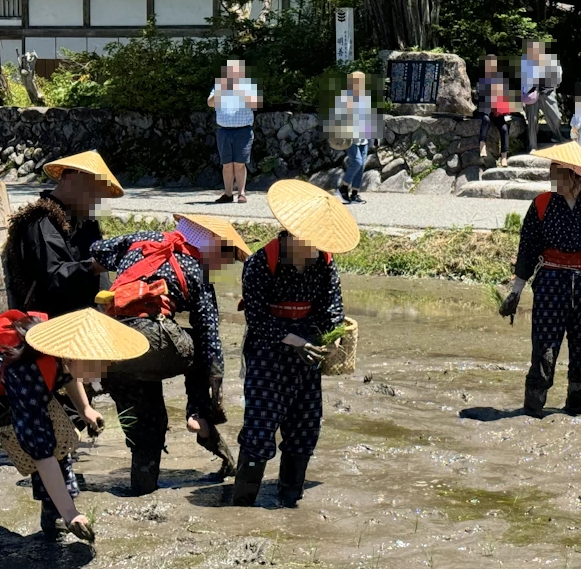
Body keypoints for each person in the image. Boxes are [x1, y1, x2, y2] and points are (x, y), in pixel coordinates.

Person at [0, 309, 147, 553]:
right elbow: (40, 451)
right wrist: (71, 512)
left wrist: (85, 409)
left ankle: (54, 516)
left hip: (10, 391)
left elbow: (66, 374)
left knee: (58, 442)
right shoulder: (28, 369)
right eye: (99, 365)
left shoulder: (60, 350)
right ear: (74, 356)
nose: (102, 373)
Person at [90, 215, 250, 494]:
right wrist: (215, 388)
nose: (224, 267)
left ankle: (141, 490)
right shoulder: (198, 270)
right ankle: (197, 414)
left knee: (147, 426)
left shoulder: (140, 239)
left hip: (110, 339)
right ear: (213, 248)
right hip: (152, 337)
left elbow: (98, 251)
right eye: (226, 259)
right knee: (201, 345)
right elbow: (210, 335)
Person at [233, 180, 357, 507]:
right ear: (292, 234)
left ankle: (289, 501)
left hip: (307, 358)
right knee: (259, 431)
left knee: (305, 430)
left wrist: (332, 339)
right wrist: (294, 341)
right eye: (311, 243)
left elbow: (332, 310)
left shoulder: (325, 263)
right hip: (268, 353)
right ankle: (242, 506)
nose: (315, 249)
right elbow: (257, 319)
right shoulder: (261, 263)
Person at [498, 142, 581, 417]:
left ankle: (575, 407)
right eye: (551, 171)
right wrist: (515, 292)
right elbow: (527, 253)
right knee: (544, 352)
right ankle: (532, 410)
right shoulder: (541, 205)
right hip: (550, 287)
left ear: (575, 176)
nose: (551, 178)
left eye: (557, 172)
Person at [4, 151, 117, 317]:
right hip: (58, 321)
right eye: (93, 191)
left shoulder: (86, 221)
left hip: (94, 314)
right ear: (70, 180)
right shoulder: (41, 221)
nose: (97, 200)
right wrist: (95, 266)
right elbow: (53, 279)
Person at [208, 59, 261, 204]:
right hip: (224, 131)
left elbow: (255, 102)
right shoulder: (219, 87)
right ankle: (228, 193)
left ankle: (241, 193)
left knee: (239, 163)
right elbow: (210, 103)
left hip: (243, 130)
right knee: (226, 164)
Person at [332, 71, 378, 205]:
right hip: (349, 138)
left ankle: (355, 194)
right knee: (356, 162)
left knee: (361, 165)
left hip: (363, 137)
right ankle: (343, 188)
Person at [522, 39, 565, 151]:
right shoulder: (526, 61)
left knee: (555, 116)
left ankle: (559, 137)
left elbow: (558, 75)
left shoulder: (551, 60)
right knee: (532, 120)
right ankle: (532, 146)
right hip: (531, 93)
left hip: (547, 92)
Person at [475, 55, 513, 168]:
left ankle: (504, 156)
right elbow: (478, 95)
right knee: (486, 119)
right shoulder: (482, 79)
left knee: (504, 128)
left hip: (497, 111)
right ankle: (482, 144)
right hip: (485, 109)